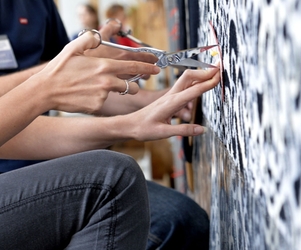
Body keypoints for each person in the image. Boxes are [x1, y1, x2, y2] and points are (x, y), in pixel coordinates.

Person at [0, 1, 214, 249]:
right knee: (113, 182)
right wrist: (45, 83)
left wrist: (139, 115)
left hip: (39, 159)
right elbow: (61, 79)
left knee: (181, 219)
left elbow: (66, 91)